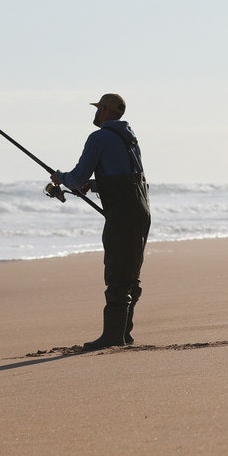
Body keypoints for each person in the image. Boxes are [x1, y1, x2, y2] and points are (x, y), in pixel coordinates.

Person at [50, 93, 151, 351]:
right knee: (131, 272)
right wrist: (94, 185)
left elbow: (76, 177)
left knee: (117, 272)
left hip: (121, 215)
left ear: (105, 110)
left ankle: (113, 336)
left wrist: (61, 178)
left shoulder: (98, 138)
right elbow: (126, 178)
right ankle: (124, 333)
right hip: (141, 210)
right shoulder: (130, 140)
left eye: (98, 109)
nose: (95, 113)